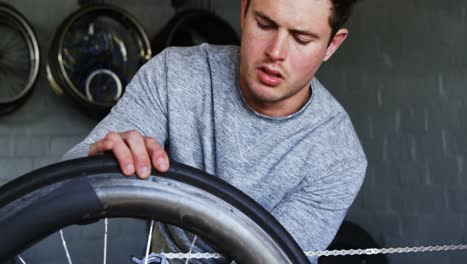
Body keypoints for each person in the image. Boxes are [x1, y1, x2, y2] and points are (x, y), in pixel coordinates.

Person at [64, 0, 367, 262]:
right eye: (264, 24)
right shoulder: (173, 76)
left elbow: (266, 257)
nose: (276, 52)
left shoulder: (339, 156)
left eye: (301, 39)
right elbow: (58, 192)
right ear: (244, 9)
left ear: (332, 45)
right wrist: (96, 165)